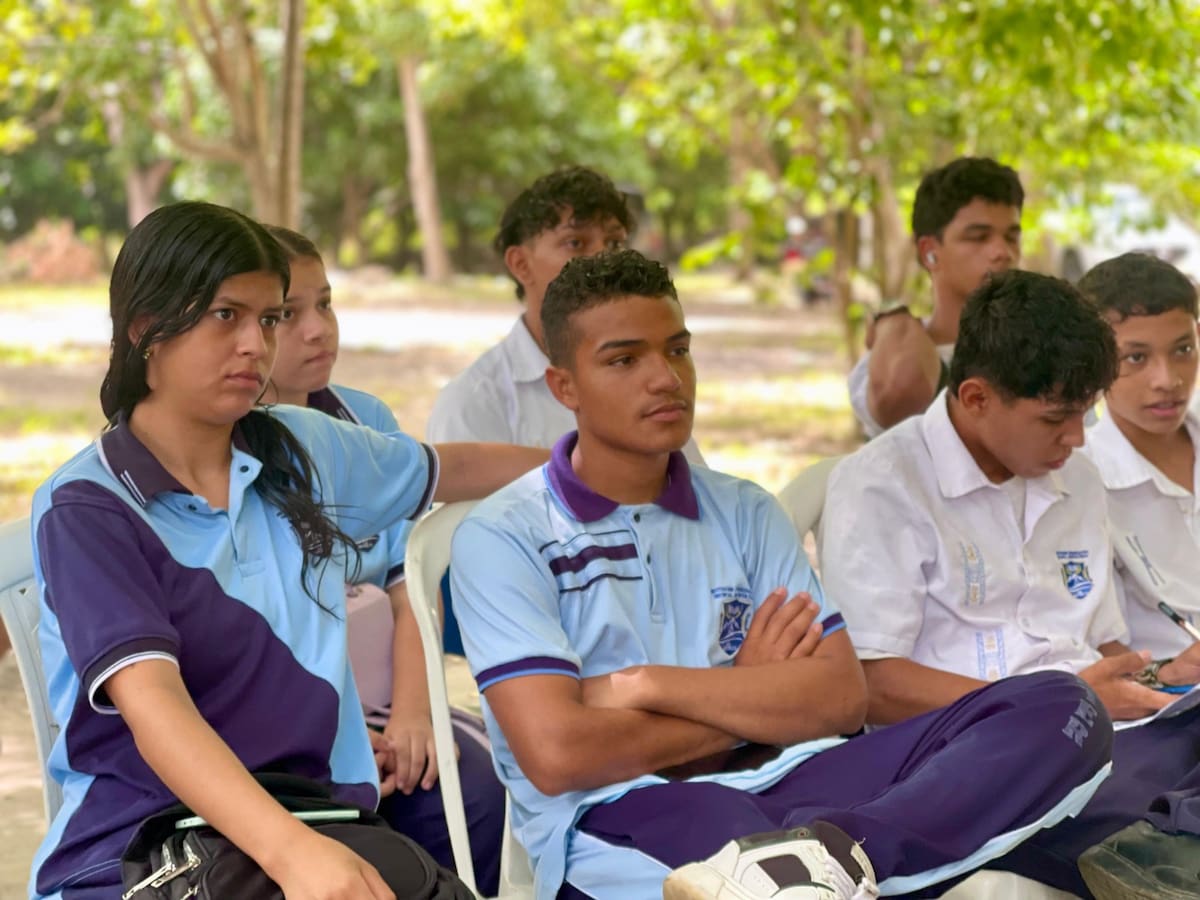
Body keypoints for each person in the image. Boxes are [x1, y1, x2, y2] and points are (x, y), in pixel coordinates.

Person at [450, 250, 1112, 900]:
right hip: (627, 812)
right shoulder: (506, 534)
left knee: (1062, 705)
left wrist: (643, 685)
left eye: (678, 350)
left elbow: (838, 698)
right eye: (624, 360)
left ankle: (839, 859)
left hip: (798, 778)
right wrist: (748, 701)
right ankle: (836, 867)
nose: (666, 378)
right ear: (564, 386)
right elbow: (559, 755)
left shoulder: (744, 509)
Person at [28, 202, 546, 900]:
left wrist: (599, 460)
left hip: (322, 824)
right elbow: (155, 708)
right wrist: (295, 854)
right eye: (226, 316)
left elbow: (450, 468)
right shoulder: (89, 509)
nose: (256, 344)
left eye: (268, 319)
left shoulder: (300, 448)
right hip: (143, 849)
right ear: (146, 329)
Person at [820, 269, 1200, 898]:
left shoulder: (1077, 479)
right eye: (1055, 419)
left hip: (1104, 740)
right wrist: (1054, 706)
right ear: (975, 398)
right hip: (975, 759)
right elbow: (872, 685)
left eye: (1085, 413)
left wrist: (1164, 676)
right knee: (1135, 800)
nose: (1077, 438)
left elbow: (1101, 648)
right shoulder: (883, 484)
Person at [262, 224, 505, 894]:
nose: (318, 330)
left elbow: (409, 588)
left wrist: (413, 716)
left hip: (386, 706)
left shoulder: (364, 421)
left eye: (325, 303)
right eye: (288, 314)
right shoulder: (219, 452)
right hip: (287, 728)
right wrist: (340, 737)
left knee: (474, 793)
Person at [426, 165, 704, 463]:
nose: (603, 257)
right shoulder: (474, 402)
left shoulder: (659, 384)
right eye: (575, 243)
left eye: (614, 243)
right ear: (520, 264)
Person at [1078, 253, 1200, 658]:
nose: (1168, 380)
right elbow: (1096, 651)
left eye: (1183, 349)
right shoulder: (1079, 481)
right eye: (1136, 358)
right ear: (1094, 361)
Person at [848, 157, 1023, 438]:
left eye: (1011, 237)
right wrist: (894, 320)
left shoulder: (1043, 347)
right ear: (929, 252)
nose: (1003, 252)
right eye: (978, 237)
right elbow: (900, 396)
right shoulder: (895, 351)